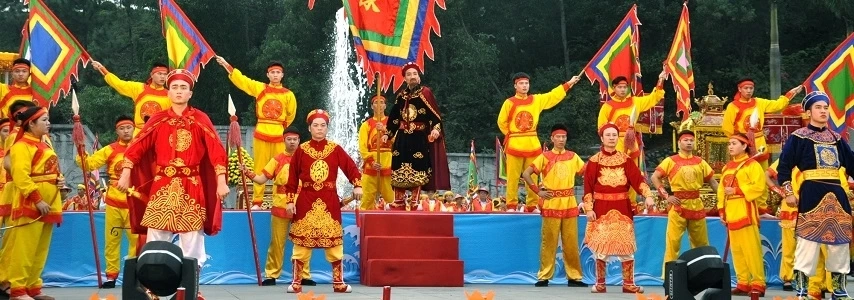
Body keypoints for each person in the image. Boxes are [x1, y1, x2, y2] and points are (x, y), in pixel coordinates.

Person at [116, 69, 229, 300]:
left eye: (183, 88)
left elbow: (217, 151)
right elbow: (137, 146)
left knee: (192, 239)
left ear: (190, 93)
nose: (179, 92)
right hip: (163, 184)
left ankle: (191, 287)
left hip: (191, 183)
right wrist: (126, 173)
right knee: (156, 236)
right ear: (168, 92)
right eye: (175, 87)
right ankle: (152, 288)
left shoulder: (200, 119)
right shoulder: (158, 119)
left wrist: (221, 181)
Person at [777, 91, 854, 299]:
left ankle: (839, 290)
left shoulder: (836, 138)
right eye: (818, 107)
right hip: (811, 192)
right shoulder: (798, 137)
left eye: (826, 107)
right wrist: (788, 192)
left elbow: (852, 164)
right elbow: (783, 168)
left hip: (837, 193)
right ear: (809, 111)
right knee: (807, 243)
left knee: (839, 244)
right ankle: (802, 291)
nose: (823, 111)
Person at [284, 109, 362, 293]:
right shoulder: (301, 150)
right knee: (302, 243)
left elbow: (351, 167)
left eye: (323, 125)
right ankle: (296, 282)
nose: (319, 129)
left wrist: (357, 184)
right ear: (309, 128)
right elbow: (292, 179)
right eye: (315, 125)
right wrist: (289, 201)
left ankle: (338, 282)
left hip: (329, 200)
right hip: (306, 199)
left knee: (334, 243)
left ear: (327, 128)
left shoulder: (335, 149)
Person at [583, 123, 655, 294]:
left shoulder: (625, 160)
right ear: (602, 138)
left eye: (614, 135)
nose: (611, 138)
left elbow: (638, 181)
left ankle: (628, 283)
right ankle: (600, 283)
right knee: (602, 249)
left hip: (622, 208)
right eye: (608, 135)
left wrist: (648, 195)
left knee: (626, 247)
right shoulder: (593, 161)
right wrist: (588, 209)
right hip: (601, 208)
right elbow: (587, 188)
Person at [215, 57, 296, 208]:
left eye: (278, 72)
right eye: (272, 72)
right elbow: (244, 81)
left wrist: (279, 127)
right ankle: (257, 201)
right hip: (262, 134)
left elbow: (291, 115)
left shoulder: (288, 95)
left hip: (279, 135)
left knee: (282, 167)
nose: (275, 75)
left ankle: (282, 199)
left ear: (282, 75)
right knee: (260, 167)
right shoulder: (260, 88)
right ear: (268, 75)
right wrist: (227, 65)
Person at [241, 126, 313, 286]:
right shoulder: (277, 159)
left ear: (299, 141)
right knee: (277, 243)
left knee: (303, 242)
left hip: (301, 206)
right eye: (289, 139)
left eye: (295, 139)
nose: (292, 142)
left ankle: (304, 275)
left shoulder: (307, 159)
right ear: (284, 140)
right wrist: (247, 172)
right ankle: (272, 274)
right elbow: (261, 179)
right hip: (280, 206)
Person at [498, 73, 580, 212]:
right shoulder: (509, 102)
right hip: (515, 144)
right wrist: (512, 135)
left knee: (533, 175)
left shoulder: (536, 100)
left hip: (532, 143)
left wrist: (569, 83)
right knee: (512, 177)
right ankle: (511, 205)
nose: (524, 86)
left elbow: (552, 96)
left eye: (526, 83)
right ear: (515, 86)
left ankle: (531, 205)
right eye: (521, 83)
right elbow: (502, 122)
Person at [4, 106, 63, 300]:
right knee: (24, 248)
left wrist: (59, 180)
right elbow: (21, 176)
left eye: (48, 120)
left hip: (51, 201)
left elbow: (51, 169)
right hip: (32, 203)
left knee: (40, 248)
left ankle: (33, 286)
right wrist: (37, 199)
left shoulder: (45, 145)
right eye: (44, 120)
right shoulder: (21, 146)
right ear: (31, 124)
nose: (48, 123)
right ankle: (18, 289)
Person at [75, 115, 138, 288]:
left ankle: (134, 275)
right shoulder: (110, 149)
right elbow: (88, 164)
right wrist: (81, 151)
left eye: (128, 127)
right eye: (122, 128)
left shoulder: (141, 146)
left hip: (135, 203)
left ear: (133, 128)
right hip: (114, 203)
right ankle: (111, 276)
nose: (126, 131)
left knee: (137, 241)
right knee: (112, 240)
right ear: (116, 131)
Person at [522, 124, 585, 287]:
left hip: (569, 202)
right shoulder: (544, 156)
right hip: (551, 202)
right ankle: (544, 276)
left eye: (564, 137)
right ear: (552, 138)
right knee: (548, 241)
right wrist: (538, 191)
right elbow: (526, 173)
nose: (561, 140)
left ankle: (574, 276)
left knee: (571, 241)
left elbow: (587, 172)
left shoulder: (573, 156)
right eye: (558, 137)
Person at [650, 130, 718, 276]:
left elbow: (712, 181)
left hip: (697, 204)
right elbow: (655, 177)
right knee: (673, 242)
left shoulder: (701, 162)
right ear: (679, 143)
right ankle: (669, 275)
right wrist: (666, 195)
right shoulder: (671, 161)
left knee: (701, 243)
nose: (689, 143)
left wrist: (724, 198)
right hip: (678, 205)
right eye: (686, 140)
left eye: (691, 140)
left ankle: (704, 273)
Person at [381, 62, 450, 205]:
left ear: (418, 77)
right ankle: (399, 200)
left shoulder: (426, 93)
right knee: (399, 167)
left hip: (419, 137)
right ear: (405, 78)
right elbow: (394, 118)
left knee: (417, 167)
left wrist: (436, 130)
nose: (412, 77)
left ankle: (415, 199)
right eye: (409, 74)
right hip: (401, 138)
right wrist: (388, 134)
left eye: (414, 74)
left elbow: (436, 116)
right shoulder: (401, 96)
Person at [717, 133, 767, 296]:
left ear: (744, 146)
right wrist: (722, 210)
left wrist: (737, 190)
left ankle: (758, 283)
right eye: (729, 144)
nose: (730, 146)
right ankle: (743, 282)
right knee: (737, 250)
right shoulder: (727, 167)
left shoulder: (752, 165)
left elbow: (759, 187)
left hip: (746, 211)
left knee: (751, 249)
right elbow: (721, 191)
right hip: (731, 211)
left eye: (734, 143)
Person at [722, 79, 803, 168]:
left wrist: (791, 93)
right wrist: (737, 142)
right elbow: (727, 128)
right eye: (746, 88)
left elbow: (777, 105)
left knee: (763, 170)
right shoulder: (732, 106)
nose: (749, 91)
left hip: (759, 143)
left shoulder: (759, 102)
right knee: (744, 170)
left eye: (751, 88)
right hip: (743, 144)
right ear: (739, 89)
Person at [89, 61, 170, 136]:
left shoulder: (170, 95)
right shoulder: (139, 88)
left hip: (160, 133)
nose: (163, 77)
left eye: (165, 74)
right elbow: (118, 84)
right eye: (159, 74)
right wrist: (102, 68)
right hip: (140, 133)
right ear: (152, 75)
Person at [358, 95, 394, 210]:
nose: (379, 105)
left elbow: (398, 141)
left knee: (392, 199)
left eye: (382, 102)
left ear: (385, 105)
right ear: (372, 106)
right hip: (371, 165)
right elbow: (362, 147)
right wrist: (371, 161)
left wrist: (384, 130)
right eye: (376, 102)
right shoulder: (366, 125)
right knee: (366, 199)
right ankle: (364, 225)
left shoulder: (392, 123)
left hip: (388, 163)